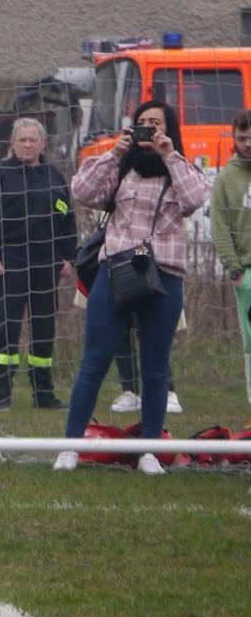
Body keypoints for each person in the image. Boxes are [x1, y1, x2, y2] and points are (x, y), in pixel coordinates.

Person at [54, 100, 210, 475]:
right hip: (116, 273)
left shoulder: (179, 169)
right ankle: (71, 447)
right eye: (141, 124)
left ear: (168, 129)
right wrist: (115, 151)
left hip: (164, 278)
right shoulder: (121, 169)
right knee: (94, 361)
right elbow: (81, 190)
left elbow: (197, 198)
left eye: (155, 124)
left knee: (155, 368)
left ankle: (149, 451)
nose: (148, 130)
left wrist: (169, 154)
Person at [0, 118, 77, 410]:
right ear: (13, 144)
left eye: (33, 140)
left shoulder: (54, 176)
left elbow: (67, 218)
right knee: (5, 331)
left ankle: (43, 394)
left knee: (44, 330)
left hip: (47, 266)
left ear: (43, 144)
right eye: (22, 140)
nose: (28, 145)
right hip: (11, 263)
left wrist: (69, 256)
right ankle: (1, 395)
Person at [210, 109, 251, 410]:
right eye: (242, 138)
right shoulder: (226, 178)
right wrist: (234, 269)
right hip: (247, 273)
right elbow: (219, 225)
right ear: (234, 139)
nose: (248, 143)